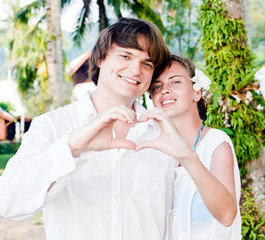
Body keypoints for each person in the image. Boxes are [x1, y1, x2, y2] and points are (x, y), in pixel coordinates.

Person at [0, 18, 176, 240]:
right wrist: (72, 147)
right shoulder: (54, 125)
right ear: (101, 57)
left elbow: (173, 219)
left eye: (147, 64)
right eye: (125, 56)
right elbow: (9, 203)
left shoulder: (162, 134)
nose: (135, 69)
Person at [136, 55, 241, 239]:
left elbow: (227, 215)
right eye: (157, 86)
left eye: (175, 82)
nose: (165, 91)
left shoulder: (216, 143)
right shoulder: (155, 149)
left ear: (197, 92)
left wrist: (187, 156)